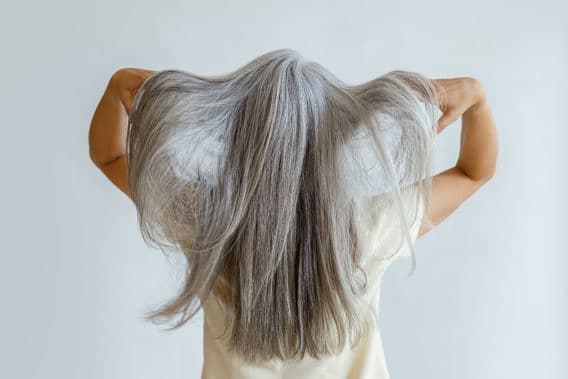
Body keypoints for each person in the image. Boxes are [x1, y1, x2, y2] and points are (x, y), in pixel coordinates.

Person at [88, 49, 498, 379]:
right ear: (334, 141)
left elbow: (110, 156)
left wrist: (119, 85)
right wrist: (475, 97)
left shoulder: (206, 222)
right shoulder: (367, 228)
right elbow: (472, 172)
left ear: (239, 137)